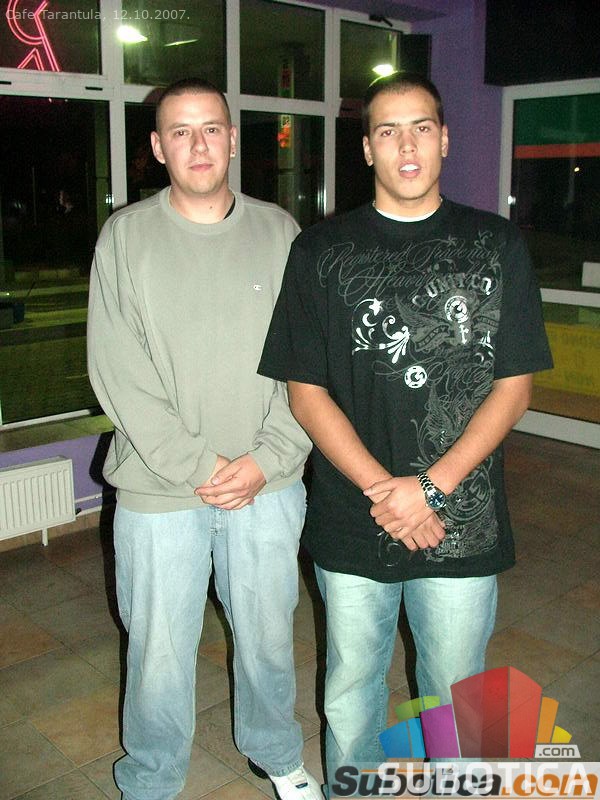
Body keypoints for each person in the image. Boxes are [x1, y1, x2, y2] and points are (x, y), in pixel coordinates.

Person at [258, 72, 553, 794]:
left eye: (421, 127)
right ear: (367, 149)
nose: (407, 145)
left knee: (456, 695)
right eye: (387, 131)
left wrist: (430, 488)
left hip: (461, 519)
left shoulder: (495, 243)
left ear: (445, 139)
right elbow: (305, 392)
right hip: (353, 514)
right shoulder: (319, 251)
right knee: (351, 690)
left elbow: (514, 387)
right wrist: (387, 492)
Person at [87, 78, 321, 800]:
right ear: (158, 147)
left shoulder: (280, 233)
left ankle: (276, 752)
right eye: (180, 131)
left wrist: (266, 460)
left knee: (269, 638)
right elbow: (117, 370)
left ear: (233, 139)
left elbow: (309, 362)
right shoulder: (126, 237)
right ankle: (152, 779)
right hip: (158, 490)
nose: (198, 144)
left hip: (266, 487)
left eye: (211, 128)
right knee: (157, 652)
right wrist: (202, 465)